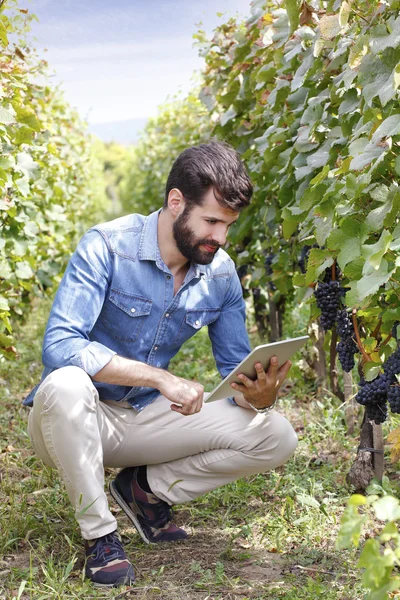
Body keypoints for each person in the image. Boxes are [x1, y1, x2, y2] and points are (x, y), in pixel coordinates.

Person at [24, 140, 298, 588]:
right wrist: (160, 378)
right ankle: (100, 536)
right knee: (67, 382)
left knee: (276, 436)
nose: (221, 237)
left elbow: (235, 372)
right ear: (176, 203)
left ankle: (144, 490)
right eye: (211, 221)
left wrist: (259, 398)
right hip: (70, 421)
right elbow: (59, 344)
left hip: (141, 421)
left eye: (228, 225)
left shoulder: (221, 273)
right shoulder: (108, 246)